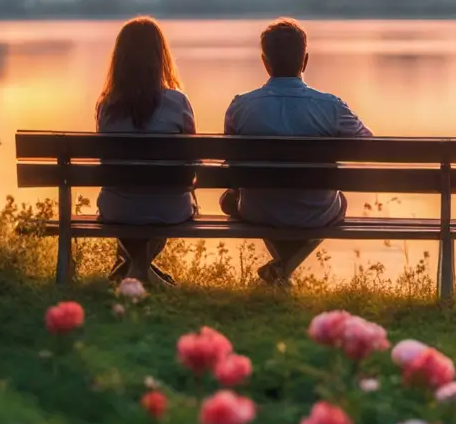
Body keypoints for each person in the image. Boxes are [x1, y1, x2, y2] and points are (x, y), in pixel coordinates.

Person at [221, 18, 371, 286]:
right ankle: (283, 269)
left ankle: (281, 270)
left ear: (265, 63)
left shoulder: (241, 107)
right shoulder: (331, 106)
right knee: (338, 202)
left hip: (258, 210)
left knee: (233, 200)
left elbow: (230, 164)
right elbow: (370, 146)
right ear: (306, 60)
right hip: (317, 212)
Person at [96, 17, 197, 284]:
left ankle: (135, 270)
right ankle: (142, 272)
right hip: (171, 208)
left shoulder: (107, 106)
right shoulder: (178, 102)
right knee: (160, 196)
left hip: (117, 209)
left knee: (127, 198)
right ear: (160, 56)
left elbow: (107, 163)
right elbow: (192, 160)